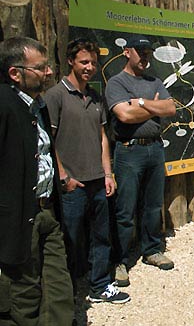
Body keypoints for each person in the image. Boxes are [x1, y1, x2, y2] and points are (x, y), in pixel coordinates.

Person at [44, 38, 130, 304]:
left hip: (97, 180)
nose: (89, 67)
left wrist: (108, 173)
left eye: (93, 62)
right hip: (72, 184)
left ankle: (99, 285)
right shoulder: (55, 96)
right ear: (71, 61)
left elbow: (103, 137)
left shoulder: (95, 96)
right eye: (84, 61)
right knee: (69, 240)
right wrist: (64, 177)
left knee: (100, 236)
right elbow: (49, 139)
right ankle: (65, 295)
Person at [0, 37, 74, 325]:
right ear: (15, 73)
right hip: (18, 215)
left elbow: (44, 149)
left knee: (58, 286)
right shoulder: (5, 106)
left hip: (47, 211)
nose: (49, 73)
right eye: (40, 68)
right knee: (24, 291)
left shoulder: (37, 105)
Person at [105, 35, 176, 287]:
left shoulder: (155, 81)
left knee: (153, 205)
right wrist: (154, 106)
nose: (145, 56)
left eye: (148, 53)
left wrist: (143, 103)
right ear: (127, 53)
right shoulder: (116, 83)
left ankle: (151, 250)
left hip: (155, 150)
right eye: (140, 52)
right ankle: (120, 260)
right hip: (128, 152)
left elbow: (170, 109)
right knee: (125, 210)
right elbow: (124, 115)